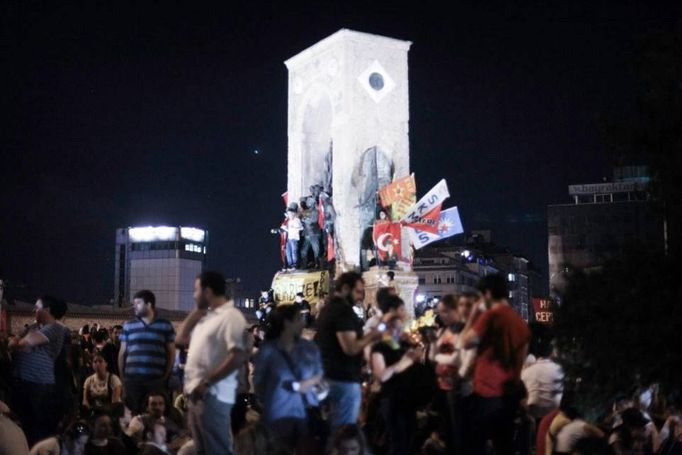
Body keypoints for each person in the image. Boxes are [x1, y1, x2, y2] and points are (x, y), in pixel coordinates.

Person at [176, 271, 248, 455]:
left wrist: (208, 382)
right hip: (197, 395)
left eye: (196, 290)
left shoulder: (231, 317)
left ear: (207, 292)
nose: (194, 295)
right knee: (202, 450)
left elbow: (237, 355)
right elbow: (180, 339)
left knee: (218, 449)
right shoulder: (207, 318)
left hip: (213, 396)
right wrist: (196, 311)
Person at [460, 274, 531, 455]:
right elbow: (521, 360)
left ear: (488, 294)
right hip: (509, 393)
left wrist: (474, 314)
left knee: (473, 446)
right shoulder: (521, 323)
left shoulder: (491, 316)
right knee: (504, 446)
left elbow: (464, 342)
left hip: (487, 391)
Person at [315, 272, 382, 433]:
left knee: (333, 431)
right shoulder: (342, 311)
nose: (361, 297)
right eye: (358, 291)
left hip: (329, 377)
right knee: (343, 432)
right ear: (345, 288)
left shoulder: (327, 310)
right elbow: (350, 347)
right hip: (342, 381)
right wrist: (374, 334)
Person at [254, 304, 325, 451]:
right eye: (299, 318)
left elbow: (320, 380)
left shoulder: (310, 348)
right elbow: (259, 386)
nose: (304, 323)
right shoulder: (268, 350)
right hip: (279, 419)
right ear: (287, 322)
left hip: (304, 417)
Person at [9, 296, 69, 445]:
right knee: (21, 427)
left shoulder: (57, 328)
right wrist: (19, 340)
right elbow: (12, 343)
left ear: (47, 310)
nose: (33, 310)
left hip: (39, 386)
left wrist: (19, 341)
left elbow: (23, 343)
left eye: (37, 307)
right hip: (22, 383)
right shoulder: (33, 327)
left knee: (37, 430)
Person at [370, 311, 423, 455]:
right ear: (387, 328)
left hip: (408, 399)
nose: (399, 332)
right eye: (395, 328)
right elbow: (382, 376)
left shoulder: (401, 345)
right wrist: (402, 364)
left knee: (409, 439)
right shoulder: (379, 348)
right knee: (397, 441)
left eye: (401, 328)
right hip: (392, 399)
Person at [118, 290, 176, 414]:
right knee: (133, 413)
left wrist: (165, 377)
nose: (134, 306)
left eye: (138, 303)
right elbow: (122, 353)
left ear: (149, 304)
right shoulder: (128, 326)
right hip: (132, 380)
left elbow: (171, 353)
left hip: (156, 380)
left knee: (156, 415)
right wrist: (123, 379)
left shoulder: (165, 326)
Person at [521, 338, 563, 420]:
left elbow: (520, 382)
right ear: (551, 354)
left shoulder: (530, 370)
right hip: (553, 412)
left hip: (534, 411)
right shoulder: (559, 369)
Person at [282, 206, 303, 271]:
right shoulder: (289, 221)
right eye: (288, 214)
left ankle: (295, 265)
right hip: (289, 238)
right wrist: (285, 228)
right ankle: (290, 265)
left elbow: (300, 228)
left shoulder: (297, 220)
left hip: (294, 238)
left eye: (290, 214)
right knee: (288, 251)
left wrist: (293, 227)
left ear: (293, 214)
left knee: (294, 251)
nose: (289, 215)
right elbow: (290, 229)